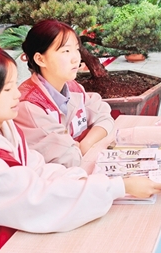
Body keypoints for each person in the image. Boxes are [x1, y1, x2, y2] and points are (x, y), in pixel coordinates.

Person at [0, 43, 161, 253]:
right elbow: (38, 200)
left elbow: (37, 169)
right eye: (7, 89)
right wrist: (117, 187)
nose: (17, 94)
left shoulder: (0, 125)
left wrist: (97, 181)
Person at [15, 20, 115, 167]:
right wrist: (86, 140)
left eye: (76, 49)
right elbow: (68, 158)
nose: (76, 58)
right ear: (40, 59)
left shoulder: (72, 87)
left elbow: (105, 116)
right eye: (66, 51)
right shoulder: (28, 105)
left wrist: (86, 143)